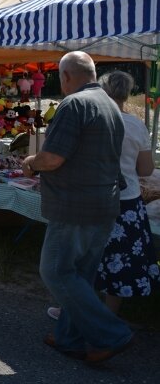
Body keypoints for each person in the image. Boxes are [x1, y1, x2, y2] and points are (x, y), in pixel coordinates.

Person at [21, 52, 134, 364]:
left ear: (65, 76)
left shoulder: (74, 104)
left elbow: (52, 158)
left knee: (55, 271)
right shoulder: (110, 104)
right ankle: (68, 337)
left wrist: (31, 163)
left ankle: (112, 334)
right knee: (80, 276)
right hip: (104, 203)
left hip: (75, 205)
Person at [46, 73, 159, 322]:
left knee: (79, 260)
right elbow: (146, 170)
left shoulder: (92, 116)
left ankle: (75, 312)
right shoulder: (136, 125)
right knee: (117, 262)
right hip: (127, 200)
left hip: (91, 196)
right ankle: (107, 317)